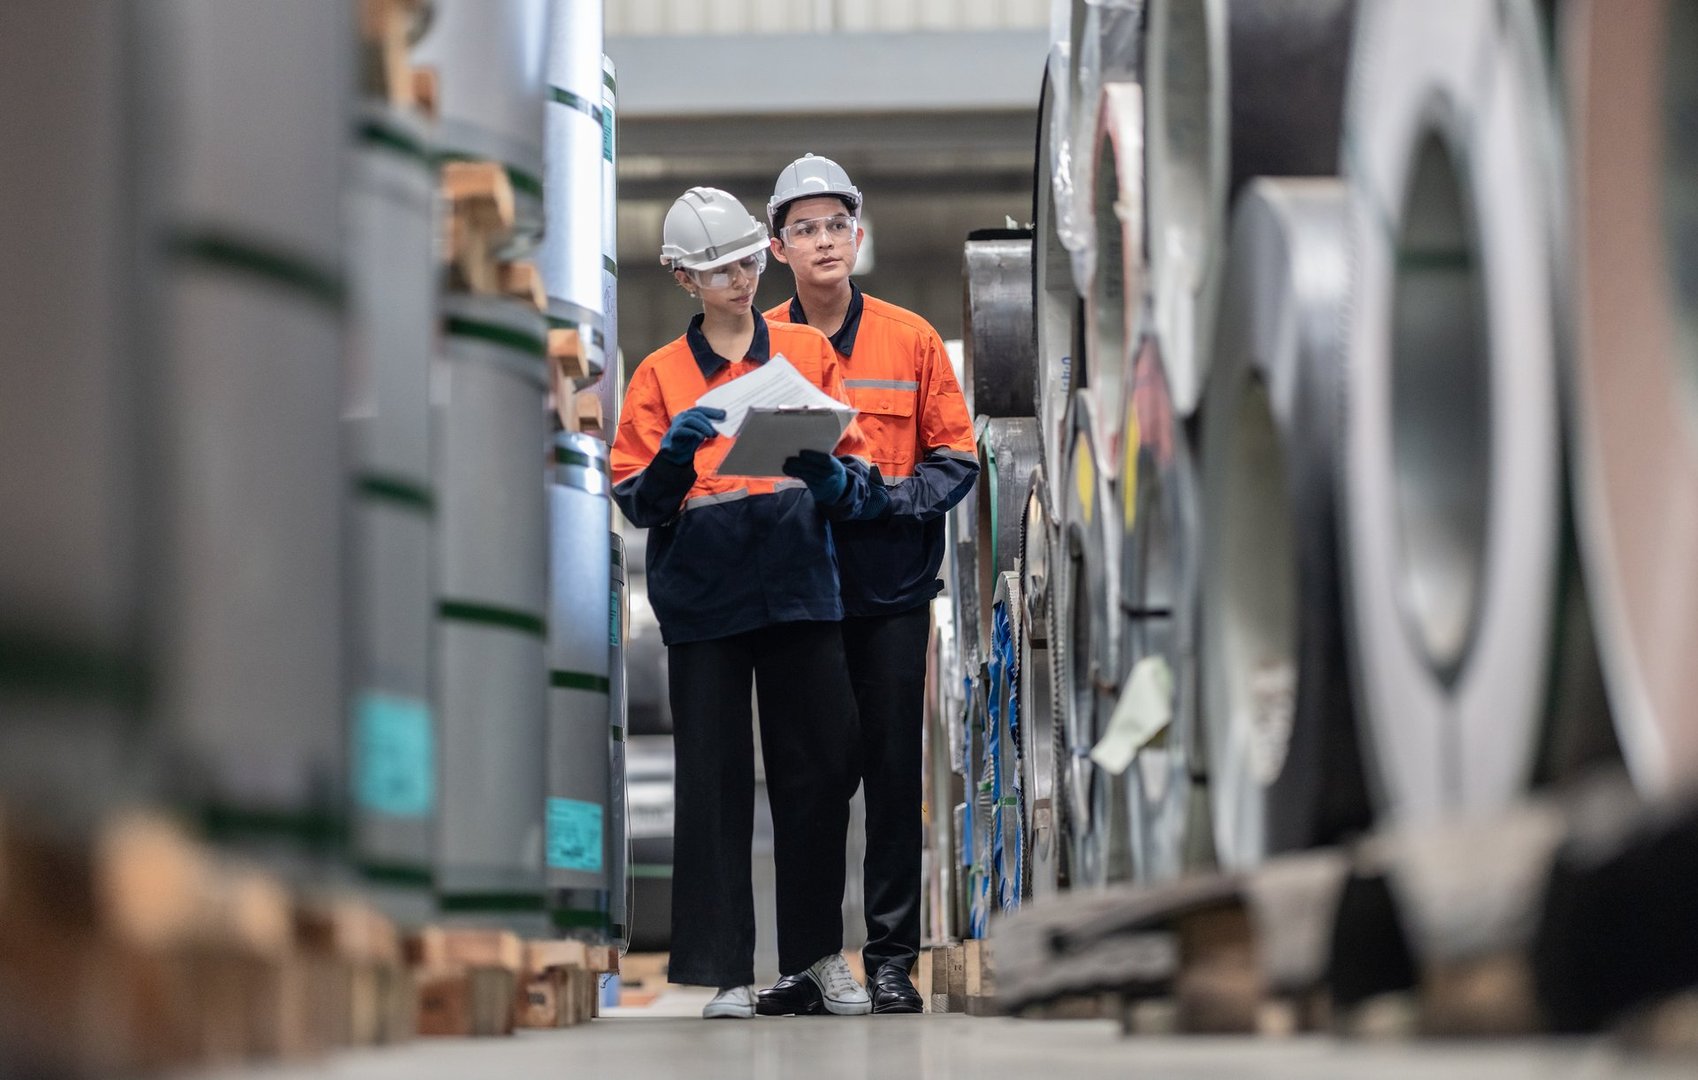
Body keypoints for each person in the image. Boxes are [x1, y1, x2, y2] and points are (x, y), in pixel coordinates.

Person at [610, 186, 881, 1020]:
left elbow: (858, 460)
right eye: (717, 269)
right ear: (682, 279)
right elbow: (637, 501)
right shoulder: (658, 376)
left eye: (747, 262)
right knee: (715, 780)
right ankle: (724, 970)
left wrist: (835, 476)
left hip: (800, 578)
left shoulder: (801, 348)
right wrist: (672, 464)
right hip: (707, 590)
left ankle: (814, 959)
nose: (738, 279)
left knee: (818, 772)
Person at [755, 156, 979, 1016]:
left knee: (891, 779)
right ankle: (810, 963)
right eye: (804, 228)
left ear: (858, 234)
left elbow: (955, 457)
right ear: (778, 246)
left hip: (887, 594)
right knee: (808, 783)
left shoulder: (911, 339)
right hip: (798, 596)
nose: (823, 241)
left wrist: (890, 501)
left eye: (835, 225)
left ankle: (891, 962)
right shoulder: (757, 343)